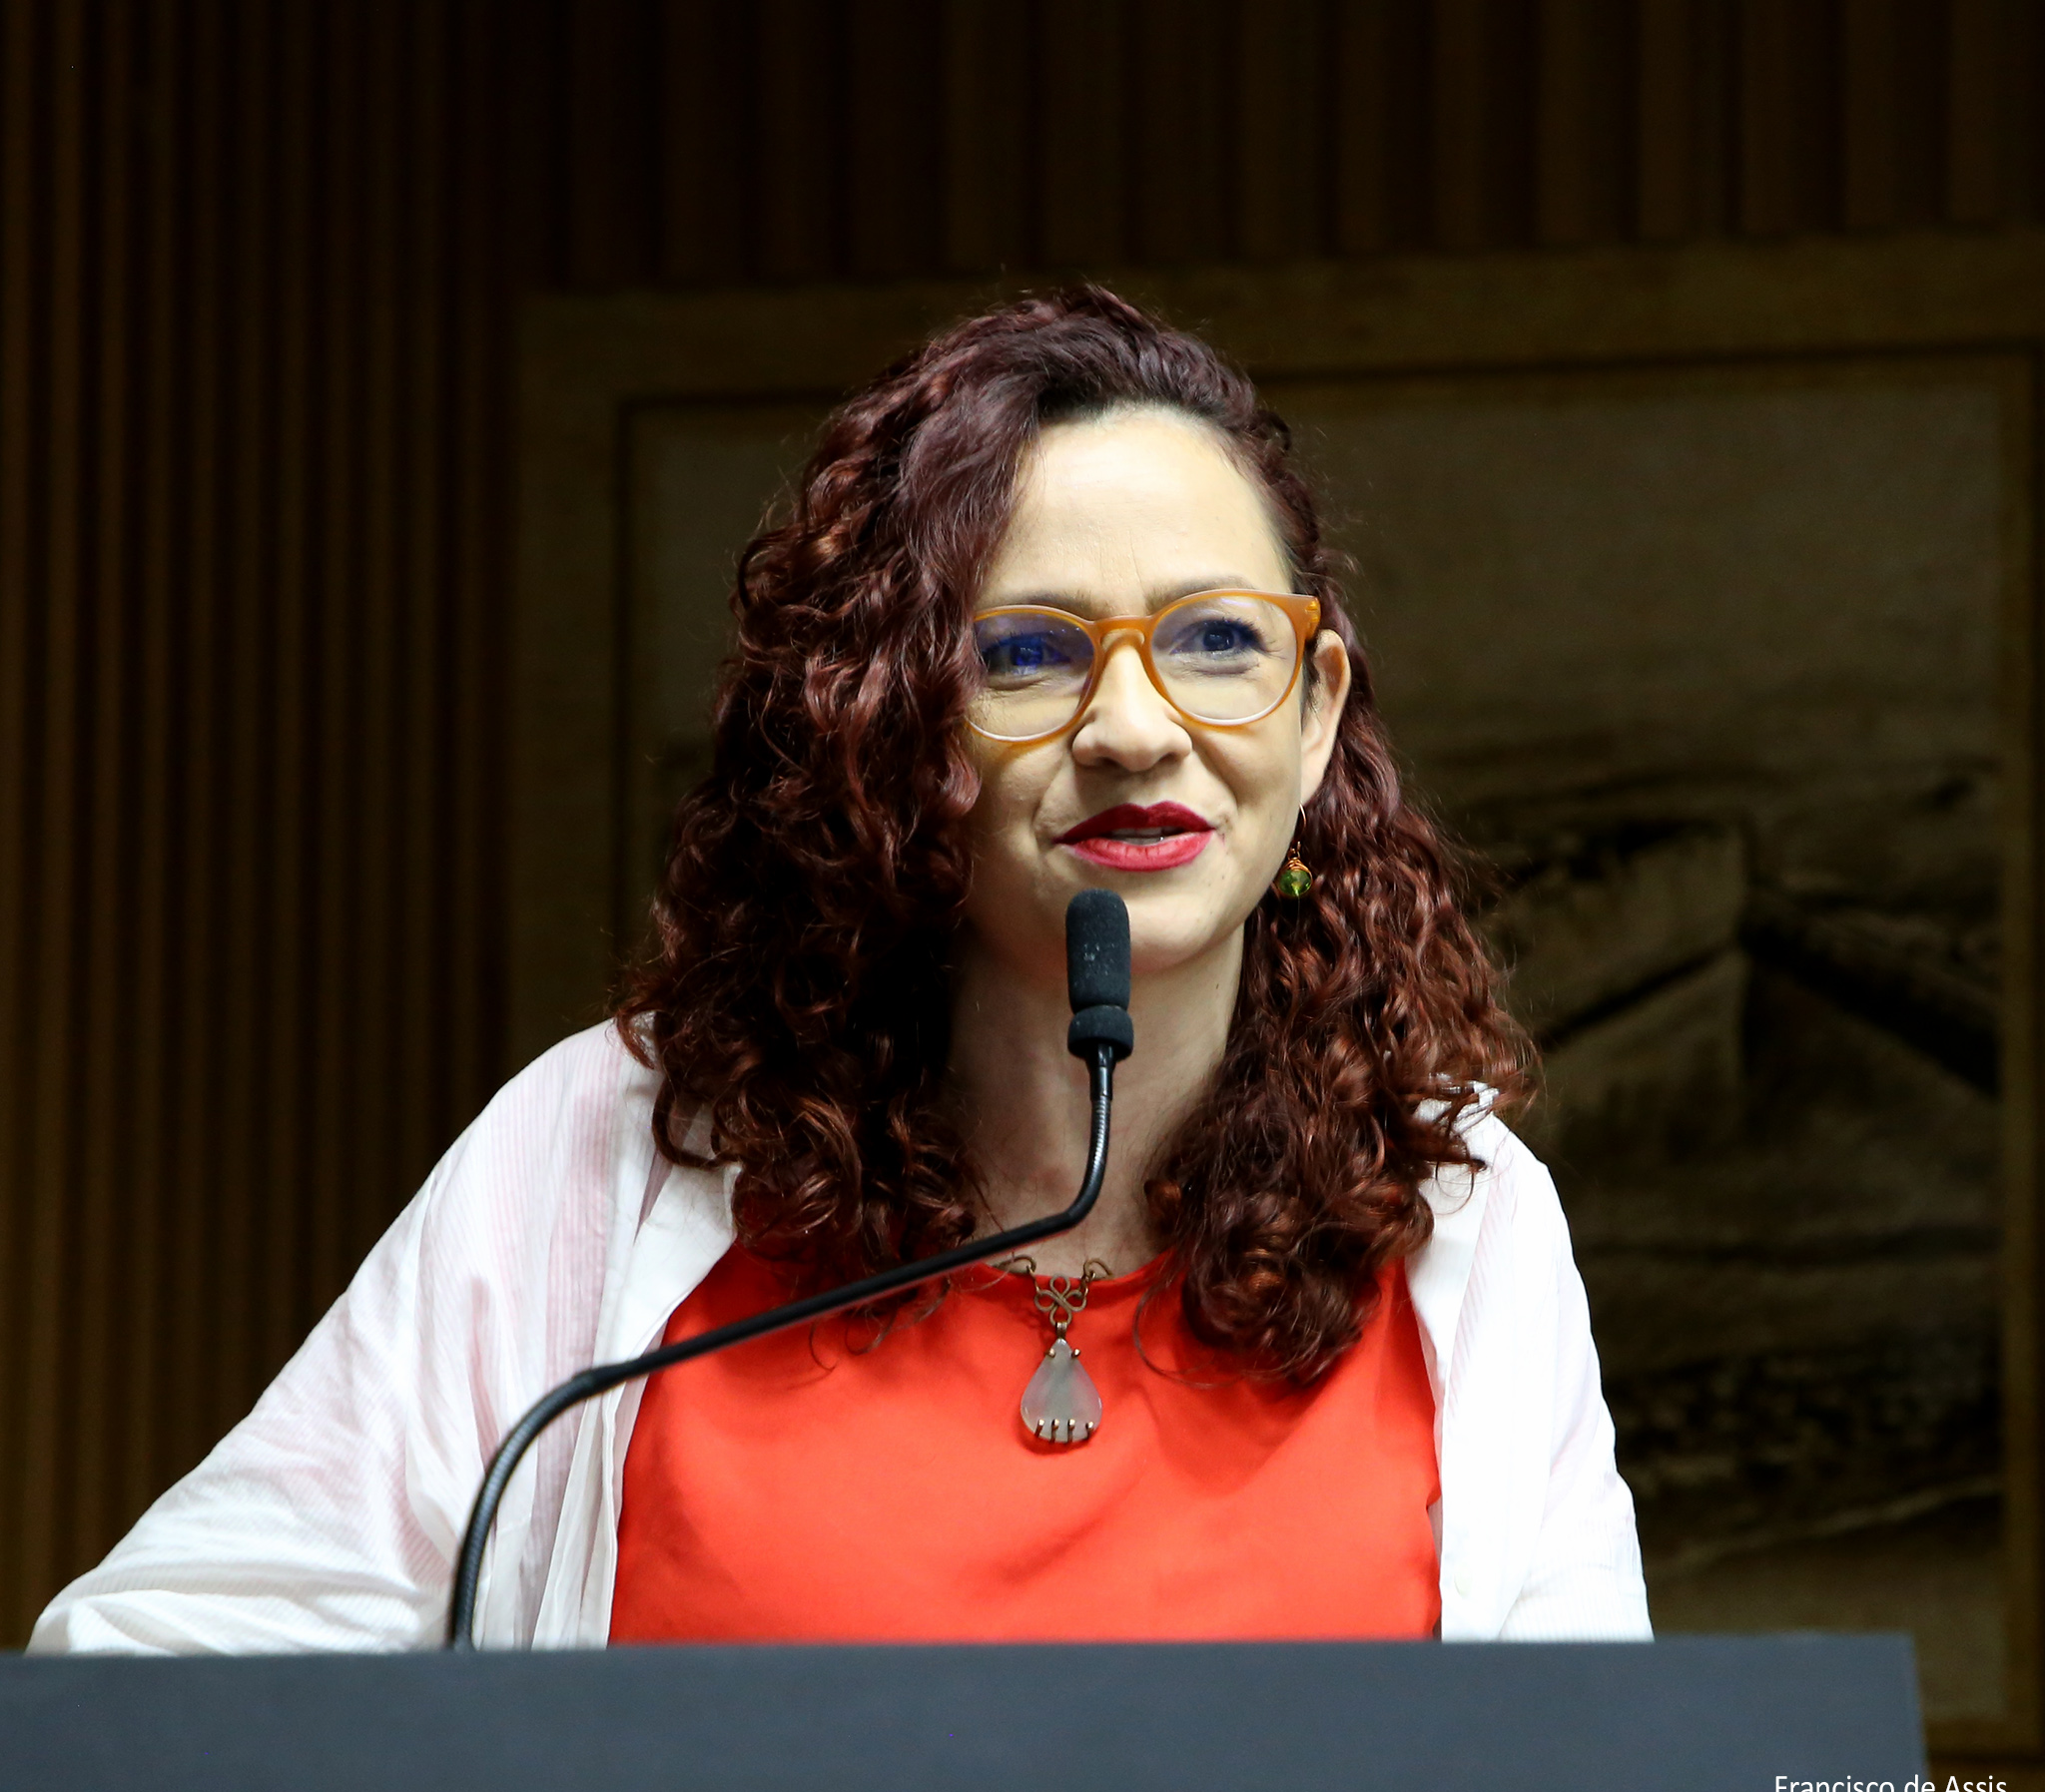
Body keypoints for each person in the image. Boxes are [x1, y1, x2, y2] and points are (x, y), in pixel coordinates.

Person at [31, 288, 1649, 1652]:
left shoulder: (1464, 1216)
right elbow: (149, 1676)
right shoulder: (607, 1151)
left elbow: (1603, 1776)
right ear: (895, 729)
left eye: (1218, 640)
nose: (1135, 727)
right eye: (1028, 653)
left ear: (1312, 715)